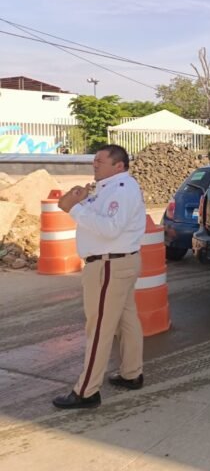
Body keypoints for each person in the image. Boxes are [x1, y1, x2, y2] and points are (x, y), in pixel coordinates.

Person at [52, 144, 147, 409]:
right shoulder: (106, 189)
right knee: (126, 321)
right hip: (115, 263)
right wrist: (80, 202)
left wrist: (74, 209)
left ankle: (86, 391)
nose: (94, 165)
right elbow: (100, 219)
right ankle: (131, 373)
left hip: (109, 266)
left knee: (99, 329)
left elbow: (109, 228)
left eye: (100, 162)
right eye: (94, 161)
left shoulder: (123, 189)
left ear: (119, 166)